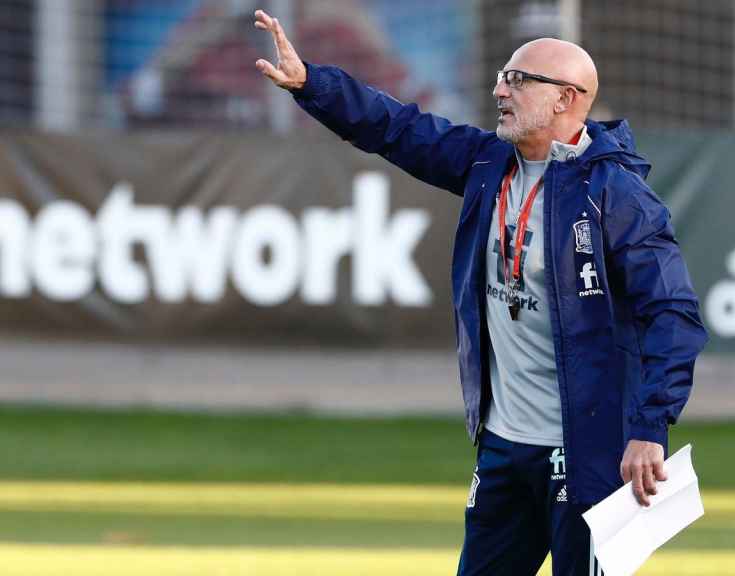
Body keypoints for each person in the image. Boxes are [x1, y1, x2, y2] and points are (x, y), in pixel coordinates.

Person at [254, 9, 707, 575]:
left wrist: (649, 429)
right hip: (503, 446)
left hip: (589, 454)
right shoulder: (488, 163)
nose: (500, 89)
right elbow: (399, 129)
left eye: (518, 80)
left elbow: (673, 313)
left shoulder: (617, 196)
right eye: (502, 75)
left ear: (566, 99)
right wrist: (311, 84)